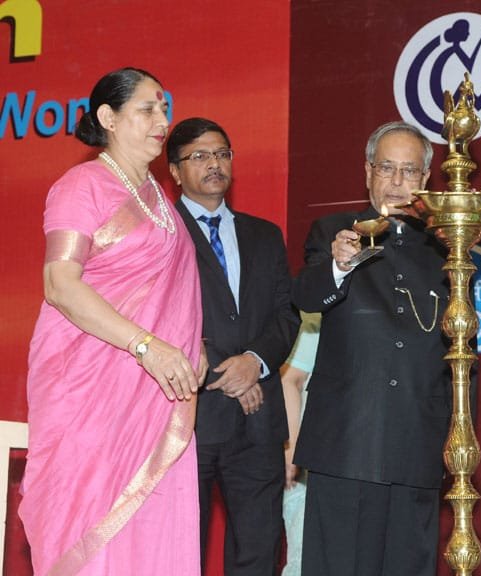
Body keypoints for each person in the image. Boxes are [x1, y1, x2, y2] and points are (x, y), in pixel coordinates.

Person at [21, 67, 205, 575]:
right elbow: (60, 284)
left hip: (155, 397)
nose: (162, 121)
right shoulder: (80, 186)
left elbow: (172, 294)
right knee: (90, 525)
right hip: (92, 394)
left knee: (152, 528)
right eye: (147, 109)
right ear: (108, 117)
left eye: (164, 109)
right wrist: (146, 345)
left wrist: (192, 343)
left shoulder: (160, 199)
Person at [292, 121, 450, 576]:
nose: (398, 182)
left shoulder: (445, 250)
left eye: (409, 171)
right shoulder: (334, 232)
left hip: (417, 441)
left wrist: (459, 436)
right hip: (347, 441)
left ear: (425, 179)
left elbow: (462, 356)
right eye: (386, 168)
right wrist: (339, 266)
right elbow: (306, 296)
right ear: (368, 171)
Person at [167, 117, 299, 575]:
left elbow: (286, 315)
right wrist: (233, 373)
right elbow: (162, 319)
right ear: (174, 171)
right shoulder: (161, 234)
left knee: (259, 554)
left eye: (222, 154)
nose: (214, 164)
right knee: (181, 552)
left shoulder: (265, 235)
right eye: (200, 156)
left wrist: (255, 362)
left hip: (258, 423)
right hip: (189, 417)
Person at [280, 311, 321, 576]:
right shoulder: (316, 319)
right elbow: (290, 379)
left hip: (357, 456)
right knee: (304, 554)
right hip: (309, 459)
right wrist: (291, 450)